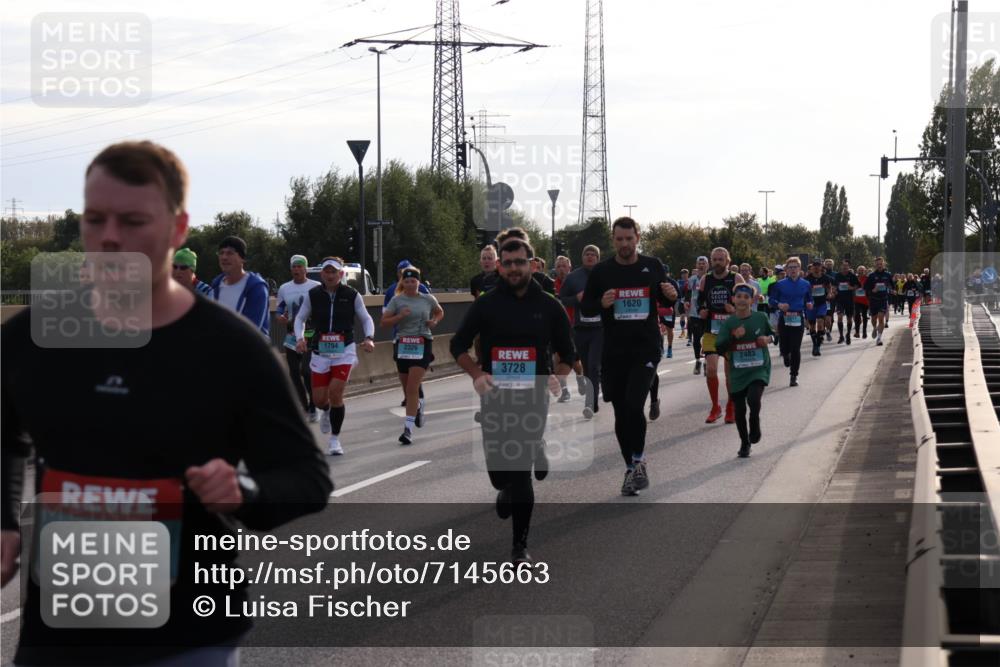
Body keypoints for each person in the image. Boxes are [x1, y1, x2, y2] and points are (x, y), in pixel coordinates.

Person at [1, 140, 332, 666]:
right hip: (60, 634)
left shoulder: (232, 349)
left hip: (187, 636)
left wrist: (244, 491)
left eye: (133, 221)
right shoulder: (33, 337)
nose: (110, 238)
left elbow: (307, 478)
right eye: (95, 219)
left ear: (177, 229)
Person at [450, 237, 575, 564]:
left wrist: (558, 377)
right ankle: (517, 470)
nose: (514, 268)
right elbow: (457, 345)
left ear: (532, 264)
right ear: (500, 267)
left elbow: (569, 353)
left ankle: (520, 546)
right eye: (507, 263)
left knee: (519, 473)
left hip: (533, 399)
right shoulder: (486, 303)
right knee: (498, 475)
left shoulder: (549, 305)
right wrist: (477, 374)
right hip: (495, 397)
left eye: (520, 262)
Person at [580, 218, 678, 496]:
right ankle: (631, 467)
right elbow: (587, 304)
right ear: (613, 240)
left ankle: (638, 461)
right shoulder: (602, 272)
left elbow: (668, 296)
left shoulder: (653, 265)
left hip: (645, 347)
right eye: (619, 239)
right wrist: (601, 302)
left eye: (629, 239)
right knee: (622, 412)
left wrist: (672, 294)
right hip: (614, 351)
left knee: (634, 405)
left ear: (637, 238)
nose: (624, 244)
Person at [295, 257, 376, 455]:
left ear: (341, 274)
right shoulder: (313, 294)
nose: (330, 275)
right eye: (327, 272)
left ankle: (335, 440)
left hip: (344, 350)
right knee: (320, 399)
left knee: (336, 392)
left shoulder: (352, 295)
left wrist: (369, 337)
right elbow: (300, 318)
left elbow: (366, 318)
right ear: (322, 274)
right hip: (320, 351)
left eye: (334, 272)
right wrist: (299, 338)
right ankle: (326, 410)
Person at [381, 266, 444, 445]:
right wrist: (399, 317)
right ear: (403, 282)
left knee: (412, 387)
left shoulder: (427, 299)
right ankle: (417, 406)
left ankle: (407, 430)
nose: (410, 284)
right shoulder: (397, 300)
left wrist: (434, 321)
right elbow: (384, 322)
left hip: (422, 342)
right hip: (402, 344)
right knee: (407, 388)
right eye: (406, 281)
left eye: (413, 281)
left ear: (419, 282)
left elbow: (440, 311)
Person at [715, 284, 773, 458]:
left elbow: (774, 334)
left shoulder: (761, 317)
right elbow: (719, 347)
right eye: (738, 296)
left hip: (758, 368)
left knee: (754, 399)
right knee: (739, 410)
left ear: (752, 300)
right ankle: (744, 443)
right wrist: (733, 336)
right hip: (738, 371)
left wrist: (767, 339)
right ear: (733, 299)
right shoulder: (729, 323)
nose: (742, 299)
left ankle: (754, 420)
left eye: (746, 297)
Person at [697, 247, 745, 424]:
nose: (717, 262)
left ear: (727, 261)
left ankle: (731, 407)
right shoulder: (705, 279)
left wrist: (736, 308)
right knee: (710, 370)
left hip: (731, 331)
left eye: (720, 259)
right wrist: (702, 310)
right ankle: (715, 407)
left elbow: (745, 301)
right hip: (712, 330)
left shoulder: (735, 278)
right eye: (714, 259)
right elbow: (700, 301)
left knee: (729, 373)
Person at [559, 245, 603, 418]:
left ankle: (590, 404)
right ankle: (593, 401)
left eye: (593, 254)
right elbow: (563, 299)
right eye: (587, 254)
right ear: (582, 257)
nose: (590, 257)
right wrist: (576, 299)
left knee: (593, 366)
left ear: (598, 258)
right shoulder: (572, 277)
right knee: (586, 366)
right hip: (581, 329)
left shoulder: (604, 275)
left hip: (600, 329)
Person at [276, 254, 322, 421]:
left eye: (300, 266)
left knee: (307, 371)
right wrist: (279, 317)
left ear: (305, 269)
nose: (297, 269)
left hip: (311, 334)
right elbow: (280, 309)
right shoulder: (284, 288)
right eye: (294, 266)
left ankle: (313, 405)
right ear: (291, 269)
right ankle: (304, 407)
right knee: (294, 373)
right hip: (291, 335)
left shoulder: (316, 286)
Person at [384, 259, 430, 407]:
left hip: (419, 336)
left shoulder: (421, 288)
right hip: (400, 336)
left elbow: (431, 307)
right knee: (404, 368)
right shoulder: (392, 291)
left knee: (416, 367)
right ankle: (409, 395)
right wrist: (398, 317)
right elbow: (385, 315)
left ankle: (417, 396)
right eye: (401, 273)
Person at [210, 235, 270, 335]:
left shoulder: (256, 288)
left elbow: (251, 331)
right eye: (221, 253)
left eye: (230, 253)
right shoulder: (216, 285)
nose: (224, 257)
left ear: (243, 259)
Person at [768, 256, 814, 386]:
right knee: (784, 347)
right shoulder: (780, 284)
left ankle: (794, 375)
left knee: (796, 348)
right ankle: (785, 354)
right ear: (786, 270)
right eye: (790, 267)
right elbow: (771, 301)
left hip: (798, 318)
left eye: (795, 267)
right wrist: (779, 305)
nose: (793, 270)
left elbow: (809, 299)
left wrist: (810, 303)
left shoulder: (805, 284)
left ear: (800, 269)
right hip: (784, 317)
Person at [553, 254, 587, 403]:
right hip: (557, 328)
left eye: (564, 266)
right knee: (558, 358)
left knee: (575, 362)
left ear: (569, 267)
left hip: (574, 325)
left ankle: (580, 377)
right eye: (558, 266)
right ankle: (564, 391)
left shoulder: (575, 283)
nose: (561, 269)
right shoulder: (552, 285)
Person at [805, 260, 833, 356]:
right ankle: (815, 345)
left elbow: (829, 287)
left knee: (820, 324)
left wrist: (829, 293)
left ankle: (818, 346)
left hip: (822, 304)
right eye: (814, 266)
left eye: (818, 266)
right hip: (811, 305)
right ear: (812, 268)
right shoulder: (807, 279)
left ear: (821, 267)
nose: (816, 268)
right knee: (812, 326)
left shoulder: (825, 278)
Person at [831, 258, 861, 345]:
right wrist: (834, 290)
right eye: (843, 266)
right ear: (841, 266)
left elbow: (858, 286)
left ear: (849, 267)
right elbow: (834, 285)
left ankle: (848, 334)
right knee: (839, 317)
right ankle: (841, 336)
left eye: (846, 266)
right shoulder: (837, 275)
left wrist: (851, 288)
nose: (844, 267)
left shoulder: (852, 276)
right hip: (840, 299)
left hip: (849, 300)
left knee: (849, 319)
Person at [864, 257, 893, 346]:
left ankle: (879, 338)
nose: (879, 265)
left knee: (881, 318)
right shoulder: (871, 276)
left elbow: (892, 285)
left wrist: (893, 290)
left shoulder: (888, 275)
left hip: (883, 299)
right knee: (874, 319)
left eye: (881, 264)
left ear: (883, 264)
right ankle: (874, 328)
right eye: (877, 264)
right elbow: (865, 288)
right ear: (875, 265)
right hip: (873, 300)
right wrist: (872, 290)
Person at [688, 255, 709, 372]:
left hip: (707, 313)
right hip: (695, 313)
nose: (701, 265)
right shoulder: (692, 279)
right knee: (696, 339)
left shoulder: (711, 278)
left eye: (703, 263)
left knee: (707, 337)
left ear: (707, 265)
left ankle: (707, 361)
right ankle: (697, 361)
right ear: (696, 265)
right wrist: (685, 304)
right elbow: (687, 294)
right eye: (699, 264)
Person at [853, 265, 870, 339]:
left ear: (865, 271)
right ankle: (857, 332)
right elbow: (852, 286)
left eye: (862, 270)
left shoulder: (867, 279)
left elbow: (870, 287)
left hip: (865, 300)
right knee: (857, 315)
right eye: (860, 270)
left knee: (864, 316)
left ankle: (864, 332)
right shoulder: (855, 278)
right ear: (857, 271)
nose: (861, 271)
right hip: (856, 300)